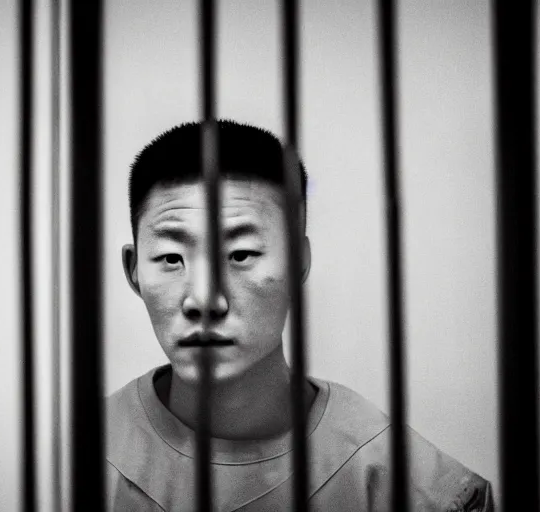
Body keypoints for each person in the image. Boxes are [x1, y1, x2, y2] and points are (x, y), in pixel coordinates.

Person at [107, 120, 493, 511]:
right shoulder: (75, 459)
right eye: (172, 259)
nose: (204, 299)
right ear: (134, 269)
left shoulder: (404, 482)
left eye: (241, 255)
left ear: (299, 262)